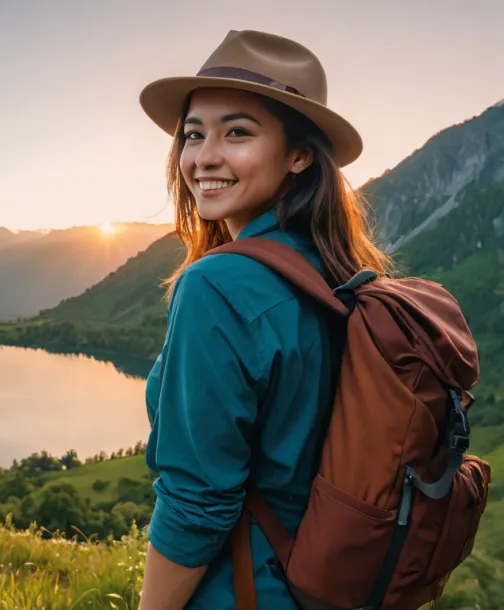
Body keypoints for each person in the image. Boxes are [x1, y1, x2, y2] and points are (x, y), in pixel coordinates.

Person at [133, 30, 393, 609]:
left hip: (241, 589)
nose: (204, 157)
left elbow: (197, 500)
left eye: (238, 132)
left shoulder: (216, 285)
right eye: (193, 134)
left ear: (300, 154)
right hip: (327, 587)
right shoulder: (343, 273)